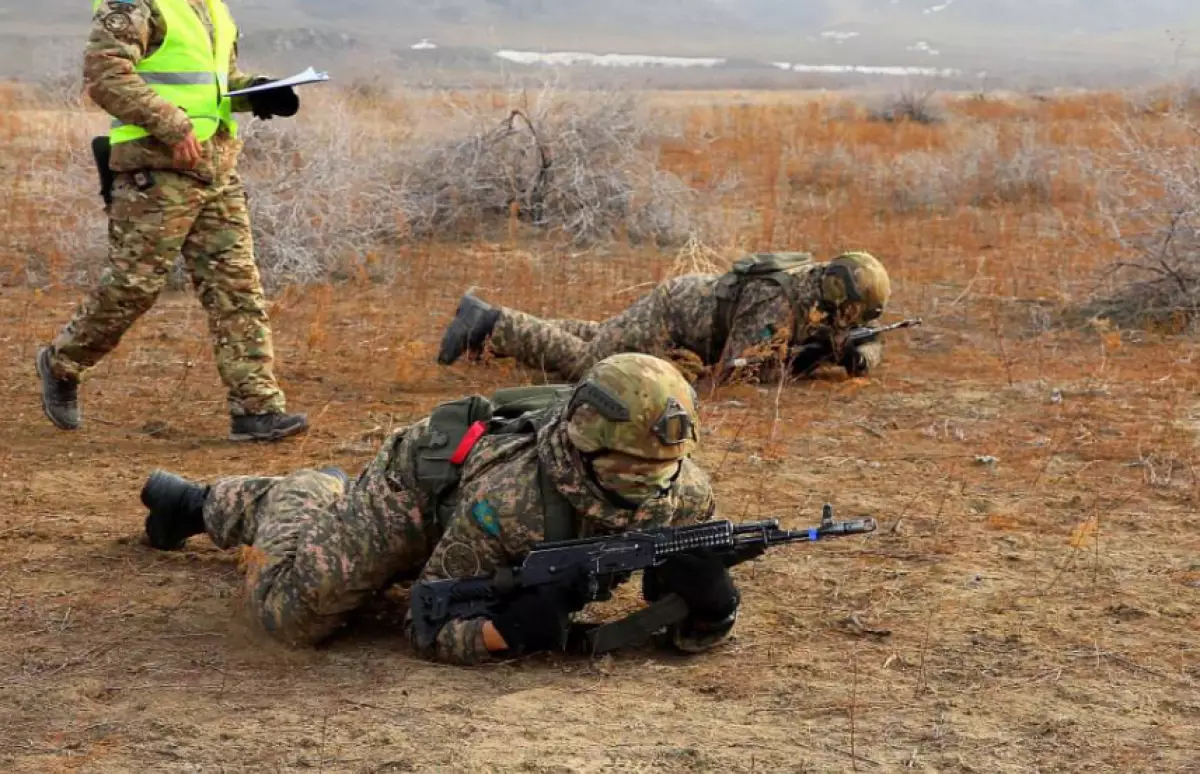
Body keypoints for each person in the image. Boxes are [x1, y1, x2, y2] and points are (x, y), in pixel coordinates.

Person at [138, 353, 742, 664]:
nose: (651, 485)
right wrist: (500, 633)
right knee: (290, 619)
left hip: (482, 523)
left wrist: (708, 608)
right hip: (417, 495)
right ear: (586, 447)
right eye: (630, 469)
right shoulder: (511, 502)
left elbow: (673, 581)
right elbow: (424, 621)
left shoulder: (686, 491)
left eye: (663, 470)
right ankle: (291, 494)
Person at [35, 0, 308, 441]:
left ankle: (256, 408)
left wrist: (255, 90)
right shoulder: (135, 3)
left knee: (237, 288)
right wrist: (170, 124)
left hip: (215, 169)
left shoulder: (211, 8)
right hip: (155, 170)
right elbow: (105, 74)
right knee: (133, 286)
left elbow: (207, 87)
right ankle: (62, 362)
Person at [437, 251, 893, 385]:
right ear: (843, 298)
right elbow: (735, 372)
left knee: (602, 336)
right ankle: (491, 321)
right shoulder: (778, 301)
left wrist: (852, 349)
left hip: (683, 313)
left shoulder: (814, 287)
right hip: (672, 316)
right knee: (592, 367)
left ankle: (495, 343)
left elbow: (849, 334)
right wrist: (803, 362)